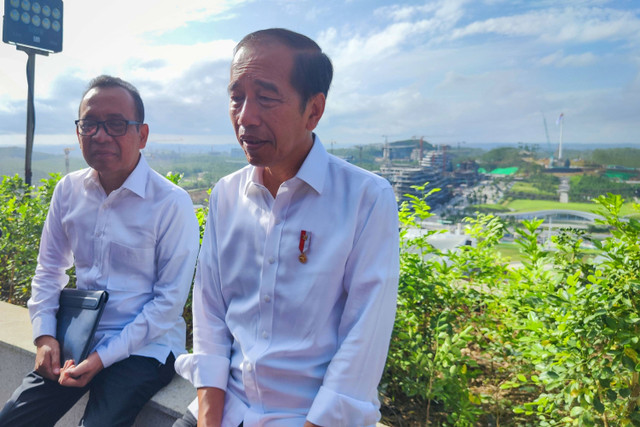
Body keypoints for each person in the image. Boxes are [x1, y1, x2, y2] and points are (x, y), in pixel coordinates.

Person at [174, 28, 399, 427]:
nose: (245, 116)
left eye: (266, 97)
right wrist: (209, 417)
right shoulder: (226, 195)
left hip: (306, 418)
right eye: (236, 97)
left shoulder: (365, 198)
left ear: (313, 110)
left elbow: (364, 338)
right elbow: (209, 308)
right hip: (224, 411)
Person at [0, 75, 200, 427]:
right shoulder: (68, 190)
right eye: (89, 124)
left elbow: (168, 305)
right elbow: (49, 270)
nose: (101, 135)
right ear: (79, 132)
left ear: (143, 134)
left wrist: (101, 358)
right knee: (14, 418)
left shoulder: (171, 204)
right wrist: (45, 335)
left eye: (116, 124)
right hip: (79, 337)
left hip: (145, 347)